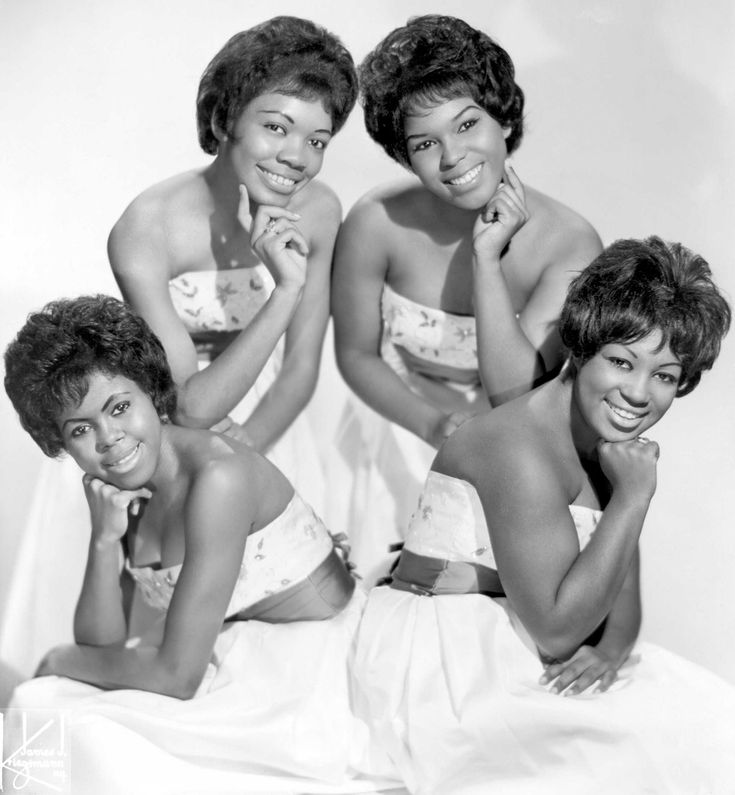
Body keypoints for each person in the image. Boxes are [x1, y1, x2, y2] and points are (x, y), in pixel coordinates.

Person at [0, 16, 358, 679]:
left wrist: (235, 469)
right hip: (146, 430)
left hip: (264, 434)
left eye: (317, 139)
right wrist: (203, 464)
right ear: (225, 117)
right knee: (126, 645)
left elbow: (302, 367)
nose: (297, 157)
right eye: (275, 126)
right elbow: (187, 404)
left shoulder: (320, 211)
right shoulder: (147, 227)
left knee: (256, 646)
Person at [351, 237, 735, 794]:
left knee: (711, 716)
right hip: (444, 666)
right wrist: (632, 500)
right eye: (622, 362)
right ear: (581, 349)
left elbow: (621, 607)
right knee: (655, 743)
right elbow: (556, 631)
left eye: (666, 375)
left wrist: (608, 652)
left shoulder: (609, 447)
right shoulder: (518, 449)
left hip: (515, 640)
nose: (638, 393)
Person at [3, 295, 395, 794]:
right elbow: (100, 642)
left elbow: (175, 675)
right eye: (81, 429)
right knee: (42, 706)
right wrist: (105, 541)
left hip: (310, 676)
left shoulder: (218, 477)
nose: (110, 440)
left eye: (119, 407)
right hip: (226, 661)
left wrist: (57, 658)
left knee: (58, 710)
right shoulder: (127, 488)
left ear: (151, 390)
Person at [330, 15, 602, 582]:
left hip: (512, 445)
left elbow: (516, 397)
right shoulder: (376, 221)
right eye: (425, 143)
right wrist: (431, 424)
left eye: (467, 124)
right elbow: (356, 355)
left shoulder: (569, 242)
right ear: (405, 156)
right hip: (396, 425)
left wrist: (486, 256)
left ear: (503, 118)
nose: (452, 157)